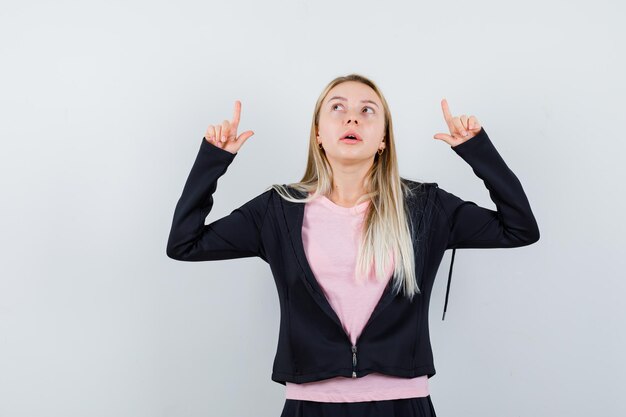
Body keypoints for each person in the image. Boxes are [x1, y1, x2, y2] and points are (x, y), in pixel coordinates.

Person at [166, 74, 540, 417]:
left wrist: (477, 151)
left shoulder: (426, 207)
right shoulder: (277, 210)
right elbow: (185, 243)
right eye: (338, 108)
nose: (352, 119)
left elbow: (520, 228)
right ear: (318, 134)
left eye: (367, 111)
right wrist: (214, 161)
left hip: (402, 405)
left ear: (383, 139)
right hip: (309, 406)